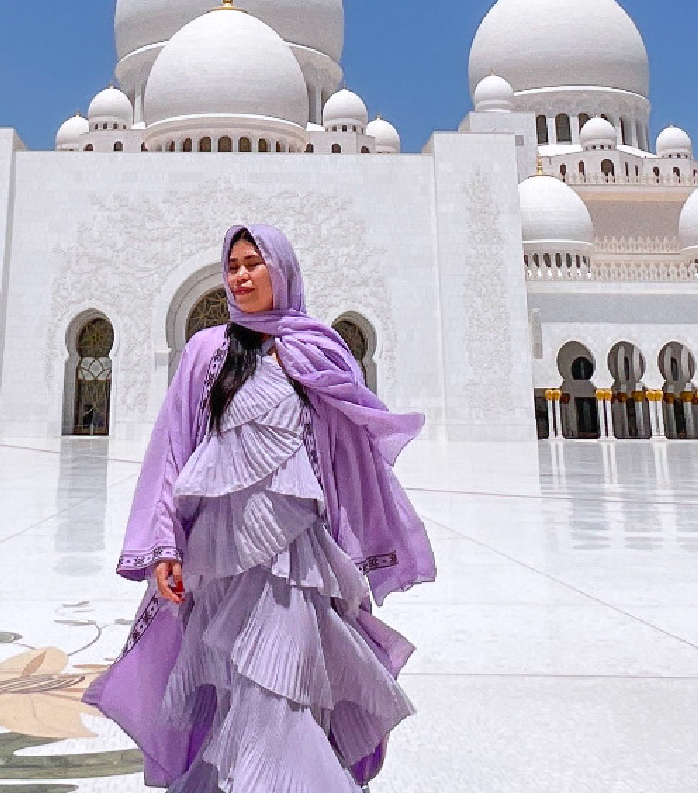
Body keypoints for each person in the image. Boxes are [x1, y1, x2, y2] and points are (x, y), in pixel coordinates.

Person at [85, 224, 435, 791]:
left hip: (295, 559)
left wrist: (359, 546)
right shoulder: (209, 350)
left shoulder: (317, 350)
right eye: (234, 266)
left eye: (254, 263)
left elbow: (351, 451)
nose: (241, 276)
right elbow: (175, 448)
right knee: (231, 687)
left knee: (284, 686)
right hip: (221, 554)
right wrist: (166, 544)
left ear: (282, 269)